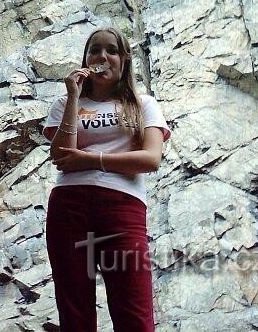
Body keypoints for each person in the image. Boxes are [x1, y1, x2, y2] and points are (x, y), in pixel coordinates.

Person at [43, 27, 171, 332]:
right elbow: (61, 155)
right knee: (75, 311)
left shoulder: (144, 105)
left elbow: (151, 159)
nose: (102, 57)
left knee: (135, 314)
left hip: (123, 208)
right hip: (68, 207)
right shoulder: (65, 104)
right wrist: (74, 96)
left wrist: (90, 160)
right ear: (86, 59)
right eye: (95, 50)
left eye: (111, 50)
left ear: (123, 59)